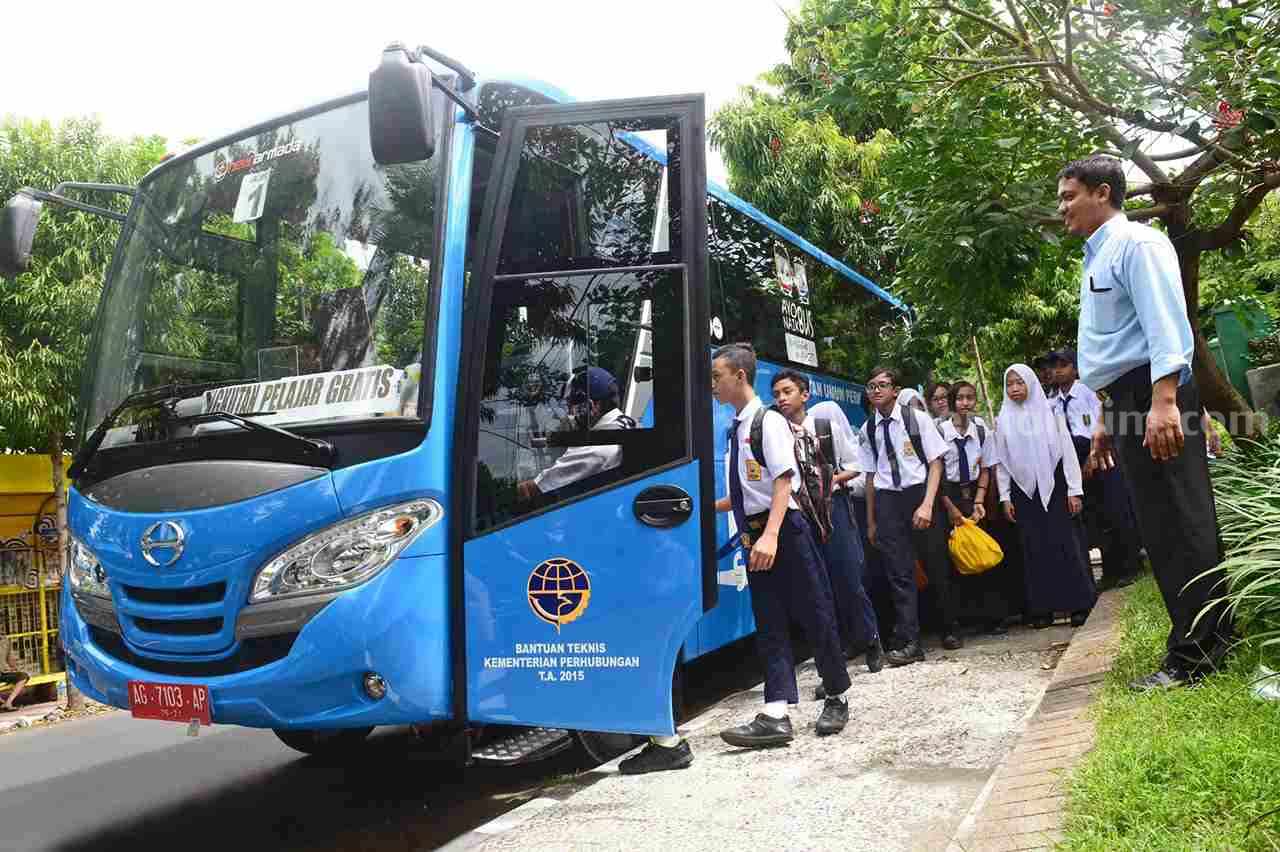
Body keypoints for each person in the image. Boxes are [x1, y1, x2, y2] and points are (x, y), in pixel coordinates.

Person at [1058, 154, 1233, 690]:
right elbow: (1119, 345)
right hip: (1130, 399)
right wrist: (1112, 412)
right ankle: (1198, 641)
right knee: (1160, 525)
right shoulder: (1099, 255)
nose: (1061, 207)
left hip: (1155, 397)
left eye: (1069, 196)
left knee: (1181, 520)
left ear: (1103, 193)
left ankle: (1200, 654)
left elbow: (1165, 327)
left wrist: (1163, 403)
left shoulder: (1138, 244)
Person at [711, 344, 851, 746]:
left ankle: (837, 694)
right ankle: (776, 712)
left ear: (740, 376)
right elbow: (745, 489)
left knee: (814, 610)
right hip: (758, 530)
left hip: (784, 529)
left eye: (717, 376)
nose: (713, 385)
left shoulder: (767, 421)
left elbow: (783, 481)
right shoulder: (736, 426)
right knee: (769, 619)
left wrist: (770, 535)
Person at [771, 371, 884, 677]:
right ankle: (837, 656)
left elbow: (856, 467)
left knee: (848, 579)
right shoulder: (775, 433)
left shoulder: (824, 426)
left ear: (804, 395)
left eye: (787, 391)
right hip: (800, 515)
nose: (781, 398)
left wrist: (826, 479)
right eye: (777, 393)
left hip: (833, 509)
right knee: (818, 590)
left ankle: (871, 639)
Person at [859, 367, 949, 667]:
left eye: (882, 385)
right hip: (888, 500)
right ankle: (911, 641)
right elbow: (871, 476)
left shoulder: (916, 419)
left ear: (895, 390)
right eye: (871, 386)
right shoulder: (868, 429)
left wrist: (926, 505)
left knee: (936, 563)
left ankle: (950, 627)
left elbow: (936, 463)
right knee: (899, 572)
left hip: (919, 493)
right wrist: (872, 521)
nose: (876, 391)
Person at [995, 365, 1096, 629]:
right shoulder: (1003, 419)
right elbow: (1002, 463)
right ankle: (1043, 609)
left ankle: (1079, 605)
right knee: (1034, 548)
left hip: (1054, 484)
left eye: (1020, 382)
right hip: (1023, 492)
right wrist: (1005, 496)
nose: (1015, 388)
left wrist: (1074, 489)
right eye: (1010, 384)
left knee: (1065, 543)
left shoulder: (1050, 412)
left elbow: (1067, 452)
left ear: (1029, 383)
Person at [1048, 349, 1142, 589]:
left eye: (1063, 364)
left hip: (1102, 451)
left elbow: (1105, 417)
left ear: (1075, 368)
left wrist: (1093, 455)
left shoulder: (1089, 390)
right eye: (1054, 366)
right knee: (1095, 516)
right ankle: (1111, 569)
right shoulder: (1053, 402)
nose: (1057, 370)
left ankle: (1132, 565)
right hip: (1075, 458)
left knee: (1116, 508)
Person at [938, 380, 1011, 638]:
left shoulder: (981, 430)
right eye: (960, 398)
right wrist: (950, 509)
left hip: (975, 497)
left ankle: (993, 617)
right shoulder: (940, 431)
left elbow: (986, 468)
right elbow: (933, 473)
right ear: (951, 401)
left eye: (970, 398)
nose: (965, 404)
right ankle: (964, 619)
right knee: (956, 556)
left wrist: (979, 500)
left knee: (982, 554)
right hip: (947, 497)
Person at [516, 367, 633, 505]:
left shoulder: (595, 448)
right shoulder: (629, 423)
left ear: (590, 406)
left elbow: (532, 490)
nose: (569, 414)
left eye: (570, 406)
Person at [1, 630, 29, 712]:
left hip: (4, 672)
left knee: (23, 676)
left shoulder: (5, 640)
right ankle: (3, 702)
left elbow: (10, 659)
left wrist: (15, 668)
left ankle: (8, 702)